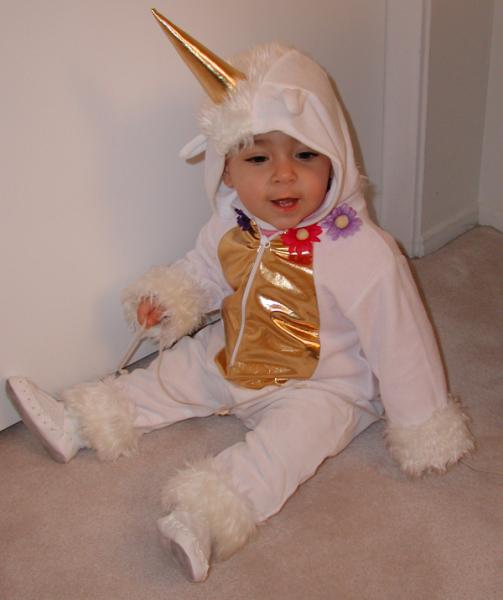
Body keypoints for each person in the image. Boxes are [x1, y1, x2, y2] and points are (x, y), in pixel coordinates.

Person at [6, 10, 474, 583]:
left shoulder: (362, 251)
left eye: (305, 155)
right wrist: (170, 299)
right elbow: (203, 270)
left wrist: (422, 422)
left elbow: (403, 342)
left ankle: (206, 518)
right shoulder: (232, 221)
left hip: (324, 385)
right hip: (233, 351)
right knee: (174, 372)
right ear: (227, 170)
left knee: (288, 446)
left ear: (336, 159)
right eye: (258, 158)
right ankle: (81, 420)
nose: (283, 176)